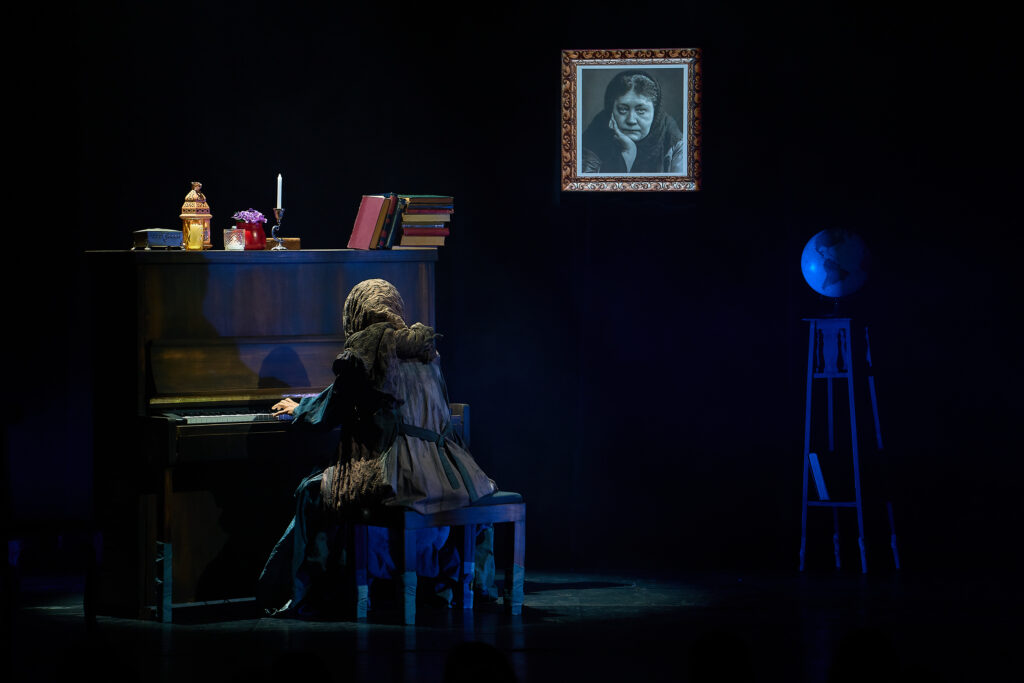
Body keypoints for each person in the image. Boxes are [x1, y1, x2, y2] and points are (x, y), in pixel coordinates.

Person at [257, 278, 498, 617]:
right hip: (443, 467)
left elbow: (332, 409)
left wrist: (300, 409)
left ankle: (312, 593)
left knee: (311, 491)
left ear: (355, 314)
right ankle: (440, 583)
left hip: (399, 471)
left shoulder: (366, 349)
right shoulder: (423, 348)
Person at [580, 70, 687, 174]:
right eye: (623, 109)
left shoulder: (675, 144)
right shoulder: (594, 137)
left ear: (655, 113)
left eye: (641, 110)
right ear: (611, 111)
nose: (631, 120)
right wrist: (628, 152)